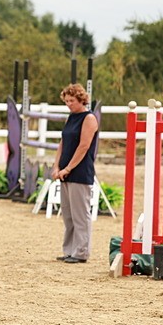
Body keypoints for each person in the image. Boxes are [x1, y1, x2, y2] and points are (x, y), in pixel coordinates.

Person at [51, 83, 99, 263]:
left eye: (71, 101)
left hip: (79, 171)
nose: (68, 104)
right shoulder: (70, 118)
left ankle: (81, 251)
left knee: (80, 214)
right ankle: (69, 250)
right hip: (65, 171)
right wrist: (56, 166)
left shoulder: (89, 118)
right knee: (68, 214)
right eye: (66, 101)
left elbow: (84, 146)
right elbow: (62, 143)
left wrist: (69, 168)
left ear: (81, 100)